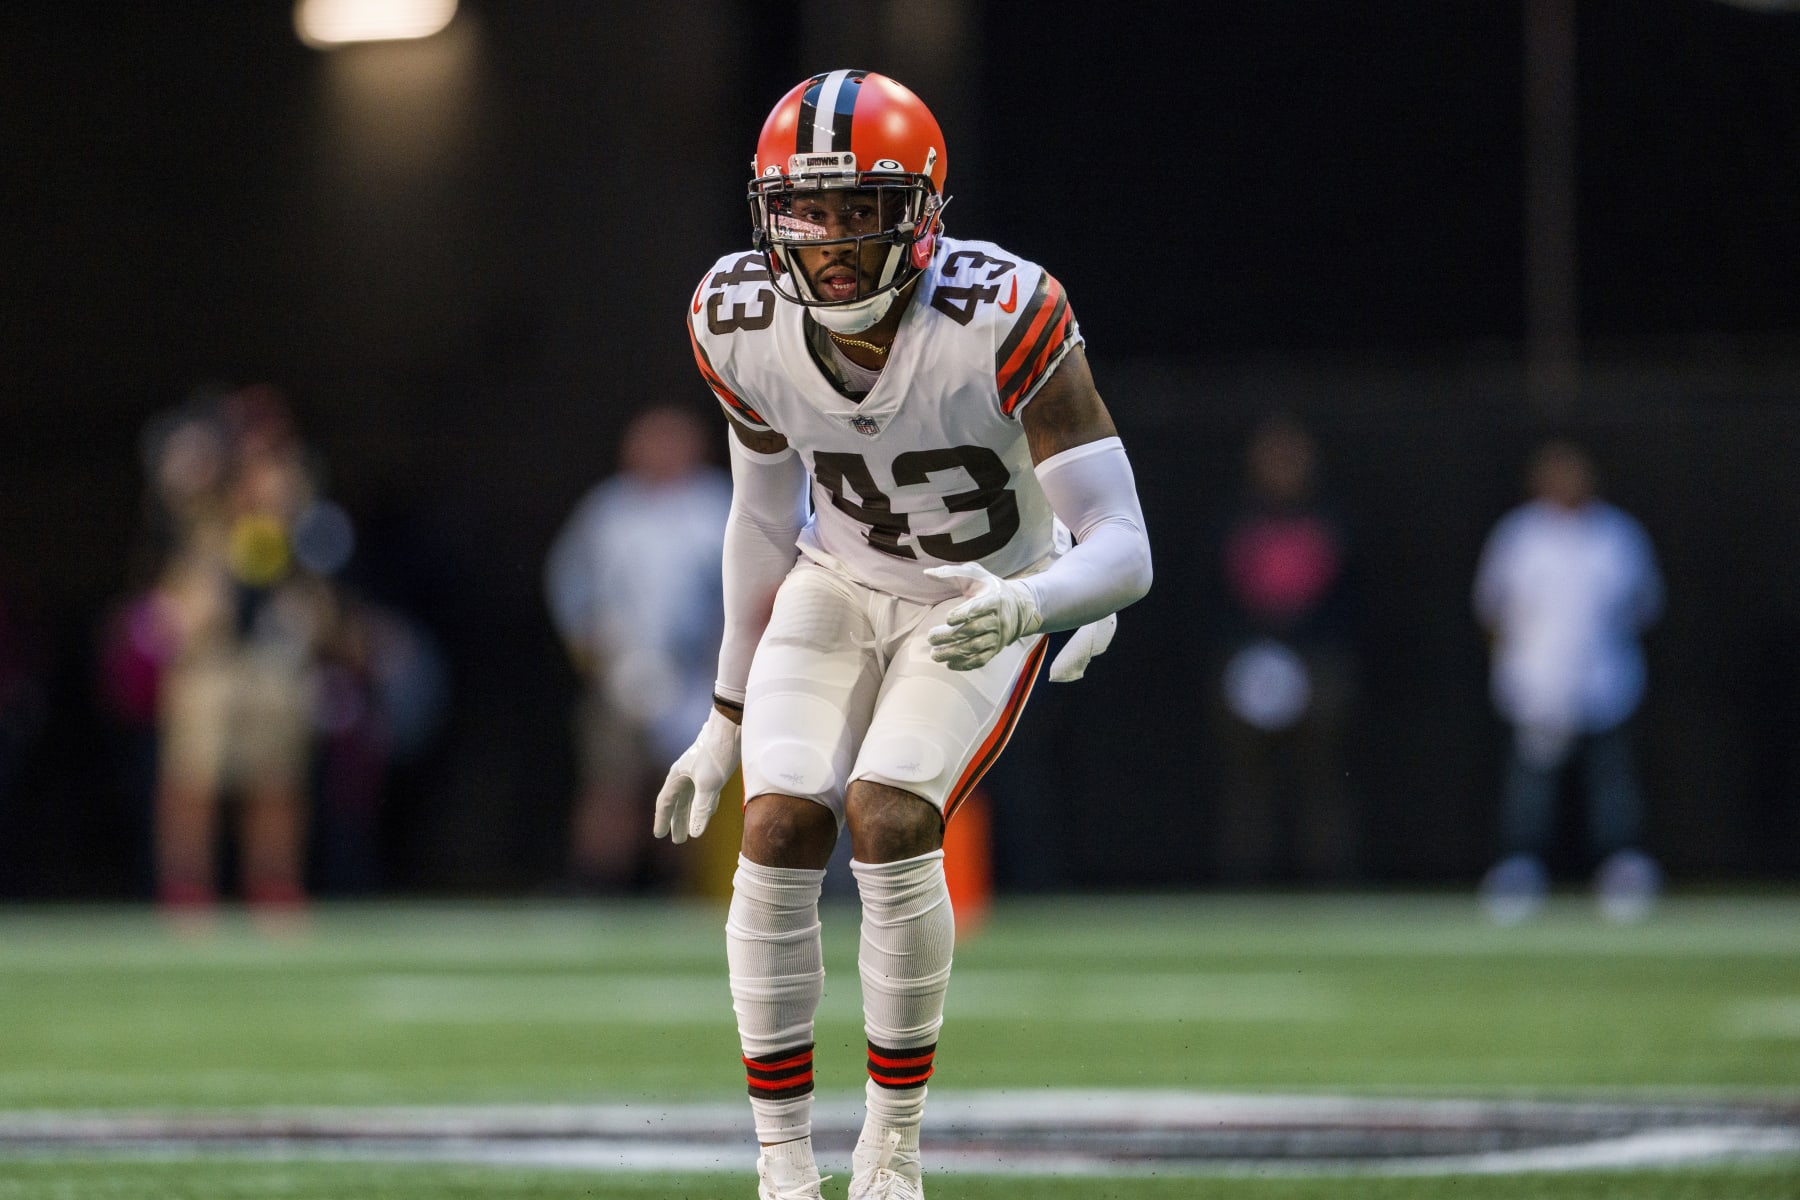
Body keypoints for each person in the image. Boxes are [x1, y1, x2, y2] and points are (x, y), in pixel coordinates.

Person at [653, 70, 1153, 1200]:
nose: (829, 240)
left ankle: (892, 1149)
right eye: (805, 208)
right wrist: (723, 714)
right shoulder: (737, 318)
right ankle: (783, 1169)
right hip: (841, 578)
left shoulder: (1005, 312)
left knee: (886, 815)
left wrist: (1038, 603)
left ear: (923, 211)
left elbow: (1125, 541)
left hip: (983, 595)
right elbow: (759, 514)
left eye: (859, 208)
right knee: (777, 824)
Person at [1473, 439, 1664, 923]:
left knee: (1611, 781)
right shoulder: (1518, 535)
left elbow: (1643, 608)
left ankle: (1622, 870)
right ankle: (1519, 870)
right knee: (1531, 786)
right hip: (1536, 684)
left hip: (1605, 683)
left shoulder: (1618, 534)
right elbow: (1492, 610)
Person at [544, 404, 731, 892]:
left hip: (701, 678)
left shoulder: (717, 507)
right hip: (622, 673)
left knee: (689, 788)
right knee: (612, 785)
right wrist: (598, 657)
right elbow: (570, 587)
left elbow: (744, 589)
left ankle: (674, 890)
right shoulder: (609, 510)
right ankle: (596, 890)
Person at [1207, 413, 1359, 884]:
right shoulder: (1236, 522)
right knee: (1248, 780)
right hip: (1248, 662)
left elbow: (1348, 602)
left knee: (1321, 774)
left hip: (1316, 662)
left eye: (1292, 458)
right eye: (1273, 458)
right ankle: (1246, 877)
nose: (1283, 468)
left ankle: (1328, 875)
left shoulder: (1331, 521)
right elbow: (1218, 601)